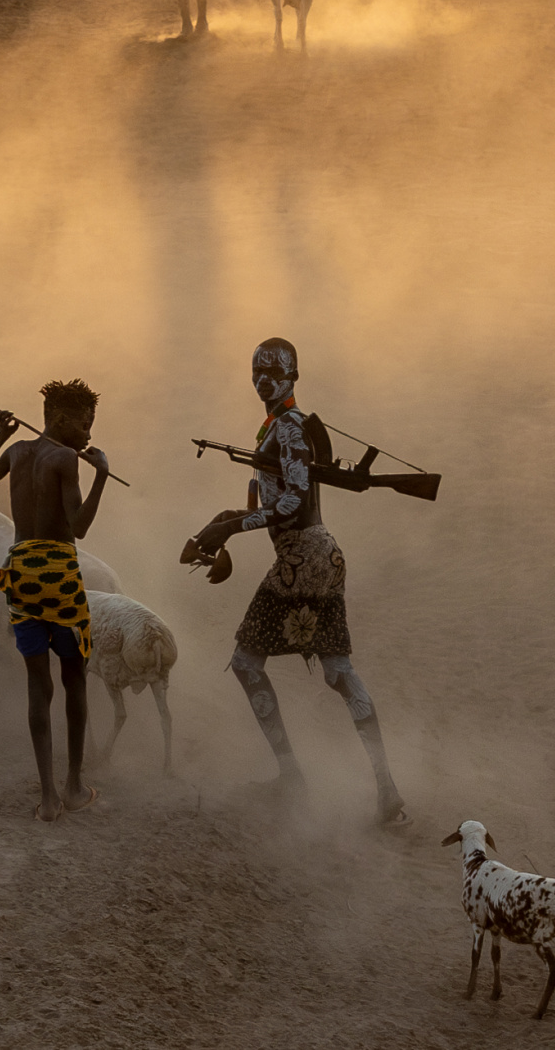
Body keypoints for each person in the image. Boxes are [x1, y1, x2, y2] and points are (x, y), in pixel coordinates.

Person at [184, 338, 409, 827]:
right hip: (325, 556)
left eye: (274, 371)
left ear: (294, 376)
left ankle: (292, 777)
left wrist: (230, 528)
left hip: (299, 557)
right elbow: (276, 500)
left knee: (246, 663)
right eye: (257, 371)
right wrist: (225, 522)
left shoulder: (287, 427)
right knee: (339, 672)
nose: (263, 379)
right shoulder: (283, 425)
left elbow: (292, 503)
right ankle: (387, 790)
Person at [0, 381, 113, 822]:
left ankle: (48, 799)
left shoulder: (17, 452)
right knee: (74, 678)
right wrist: (101, 476)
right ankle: (73, 787)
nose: (89, 434)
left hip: (20, 572)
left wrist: (0, 436)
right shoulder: (65, 458)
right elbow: (80, 526)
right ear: (61, 419)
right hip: (58, 573)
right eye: (85, 425)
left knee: (37, 684)